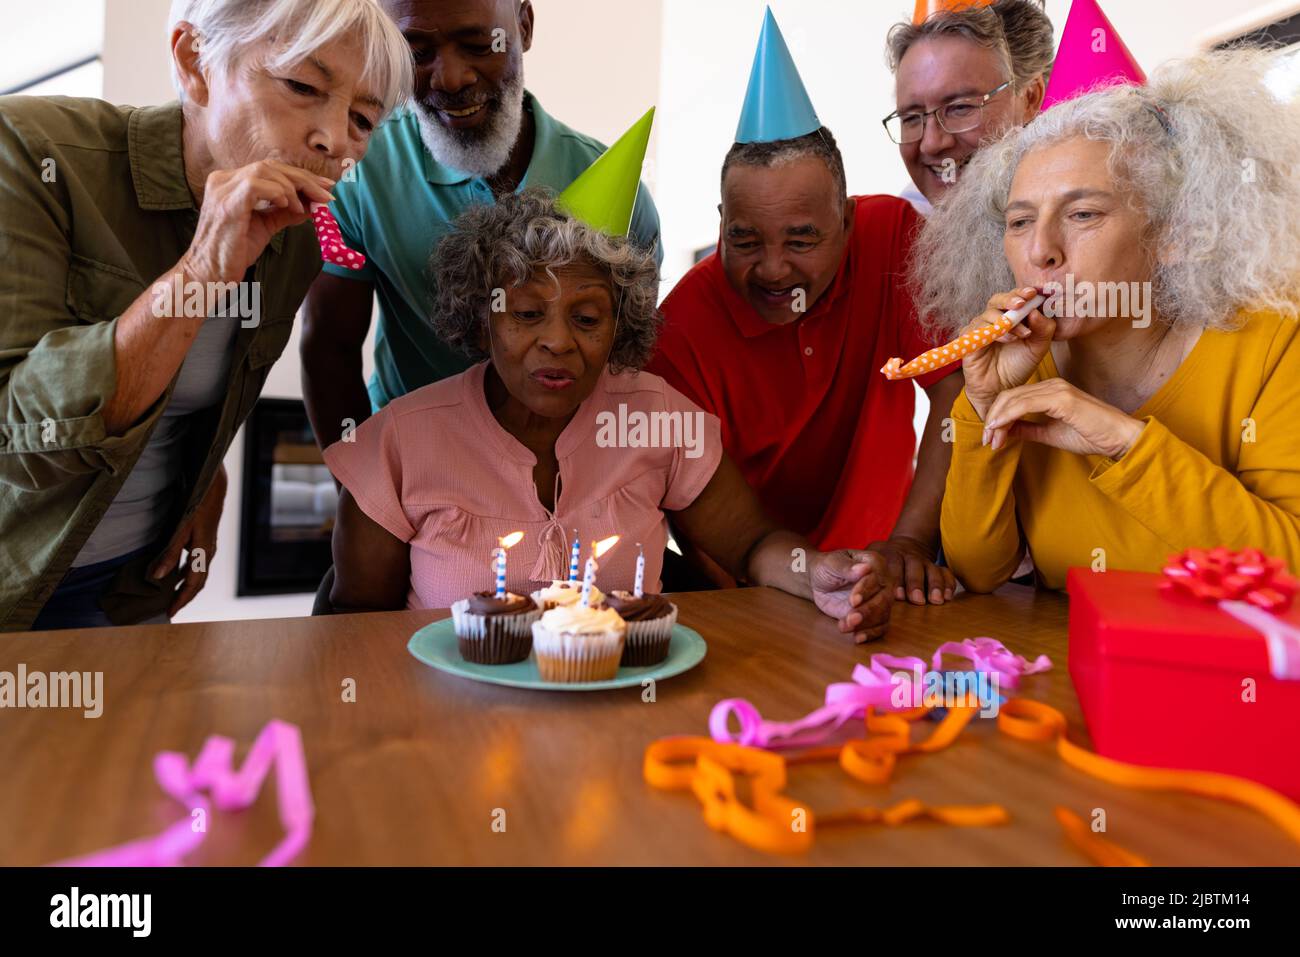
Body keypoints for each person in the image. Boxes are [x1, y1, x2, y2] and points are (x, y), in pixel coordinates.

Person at [324, 167, 895, 642]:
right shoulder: (400, 442)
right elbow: (353, 628)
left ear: (619, 326)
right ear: (483, 318)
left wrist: (817, 571)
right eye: (526, 314)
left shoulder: (658, 419)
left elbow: (752, 546)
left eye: (588, 318)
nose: (558, 341)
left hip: (617, 718)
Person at [0, 0, 412, 632]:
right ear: (194, 61)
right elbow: (17, 442)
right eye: (302, 85)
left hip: (133, 587)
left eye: (363, 119)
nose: (334, 140)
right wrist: (200, 271)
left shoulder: (296, 241)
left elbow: (199, 386)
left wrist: (206, 474)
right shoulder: (30, 150)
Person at [915, 50, 1300, 592]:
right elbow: (979, 569)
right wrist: (980, 410)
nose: (1041, 251)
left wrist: (1125, 444)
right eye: (1020, 221)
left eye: (1083, 215)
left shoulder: (1273, 342)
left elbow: (1289, 575)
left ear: (1178, 233)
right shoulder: (1023, 367)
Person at [647, 9, 961, 606]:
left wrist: (912, 543)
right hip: (761, 589)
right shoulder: (680, 330)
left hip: (894, 568)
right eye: (743, 240)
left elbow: (956, 390)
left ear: (847, 222)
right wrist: (751, 604)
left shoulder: (893, 237)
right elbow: (693, 510)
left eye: (801, 240)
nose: (772, 269)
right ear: (720, 226)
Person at [300, 0, 662, 454]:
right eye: (415, 52)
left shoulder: (623, 197)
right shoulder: (358, 170)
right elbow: (329, 347)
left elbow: (629, 363)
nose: (451, 78)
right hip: (413, 460)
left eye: (477, 45)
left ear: (524, 26)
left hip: (565, 469)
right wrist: (361, 489)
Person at [884, 0, 1053, 216]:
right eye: (911, 118)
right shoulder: (895, 235)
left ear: (1030, 98)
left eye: (960, 108)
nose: (931, 144)